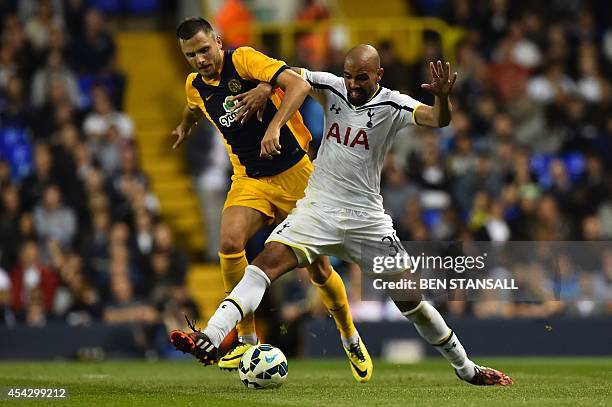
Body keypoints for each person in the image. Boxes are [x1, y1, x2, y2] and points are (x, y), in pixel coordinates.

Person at [172, 44, 513, 386]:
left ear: (378, 75)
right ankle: (212, 337)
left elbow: (437, 119)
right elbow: (290, 75)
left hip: (367, 220)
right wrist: (264, 87)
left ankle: (466, 368)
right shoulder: (333, 85)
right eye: (348, 76)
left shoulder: (393, 104)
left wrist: (442, 99)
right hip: (318, 209)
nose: (352, 84)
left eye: (361, 78)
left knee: (413, 303)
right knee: (263, 266)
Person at [168, 17, 371, 381]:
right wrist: (185, 124)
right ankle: (246, 339)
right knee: (229, 243)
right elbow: (193, 104)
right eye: (190, 55)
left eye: (203, 49)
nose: (199, 59)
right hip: (250, 179)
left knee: (320, 270)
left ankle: (349, 336)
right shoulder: (194, 85)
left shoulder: (243, 59)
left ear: (217, 40)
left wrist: (274, 123)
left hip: (296, 176)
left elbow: (298, 85)